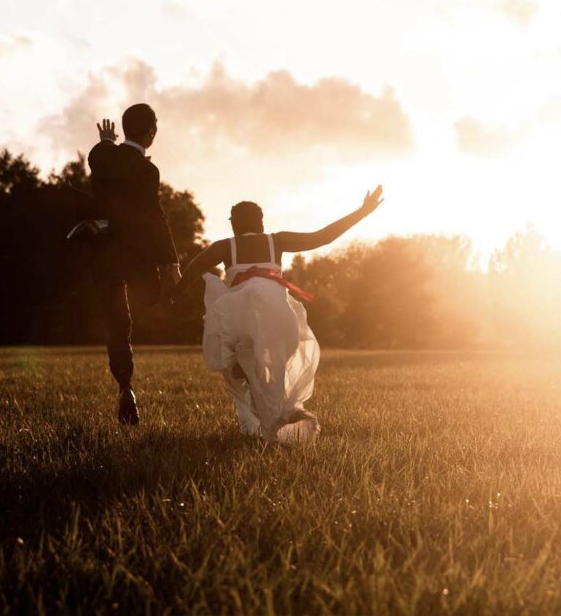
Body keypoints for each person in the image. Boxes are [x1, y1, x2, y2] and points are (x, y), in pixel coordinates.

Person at [176, 186, 384, 443]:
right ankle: (280, 417)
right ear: (261, 223)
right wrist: (362, 213)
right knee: (269, 377)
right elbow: (323, 237)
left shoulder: (224, 246)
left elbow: (193, 269)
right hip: (282, 320)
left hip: (244, 319)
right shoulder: (278, 240)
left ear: (234, 225)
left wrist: (174, 293)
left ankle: (273, 422)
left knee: (243, 368)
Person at [88, 104, 181, 425]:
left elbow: (101, 156)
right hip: (137, 258)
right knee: (150, 298)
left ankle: (125, 386)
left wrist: (105, 141)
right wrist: (170, 262)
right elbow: (156, 217)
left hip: (104, 256)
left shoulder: (101, 156)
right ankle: (126, 384)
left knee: (118, 323)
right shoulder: (147, 171)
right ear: (151, 132)